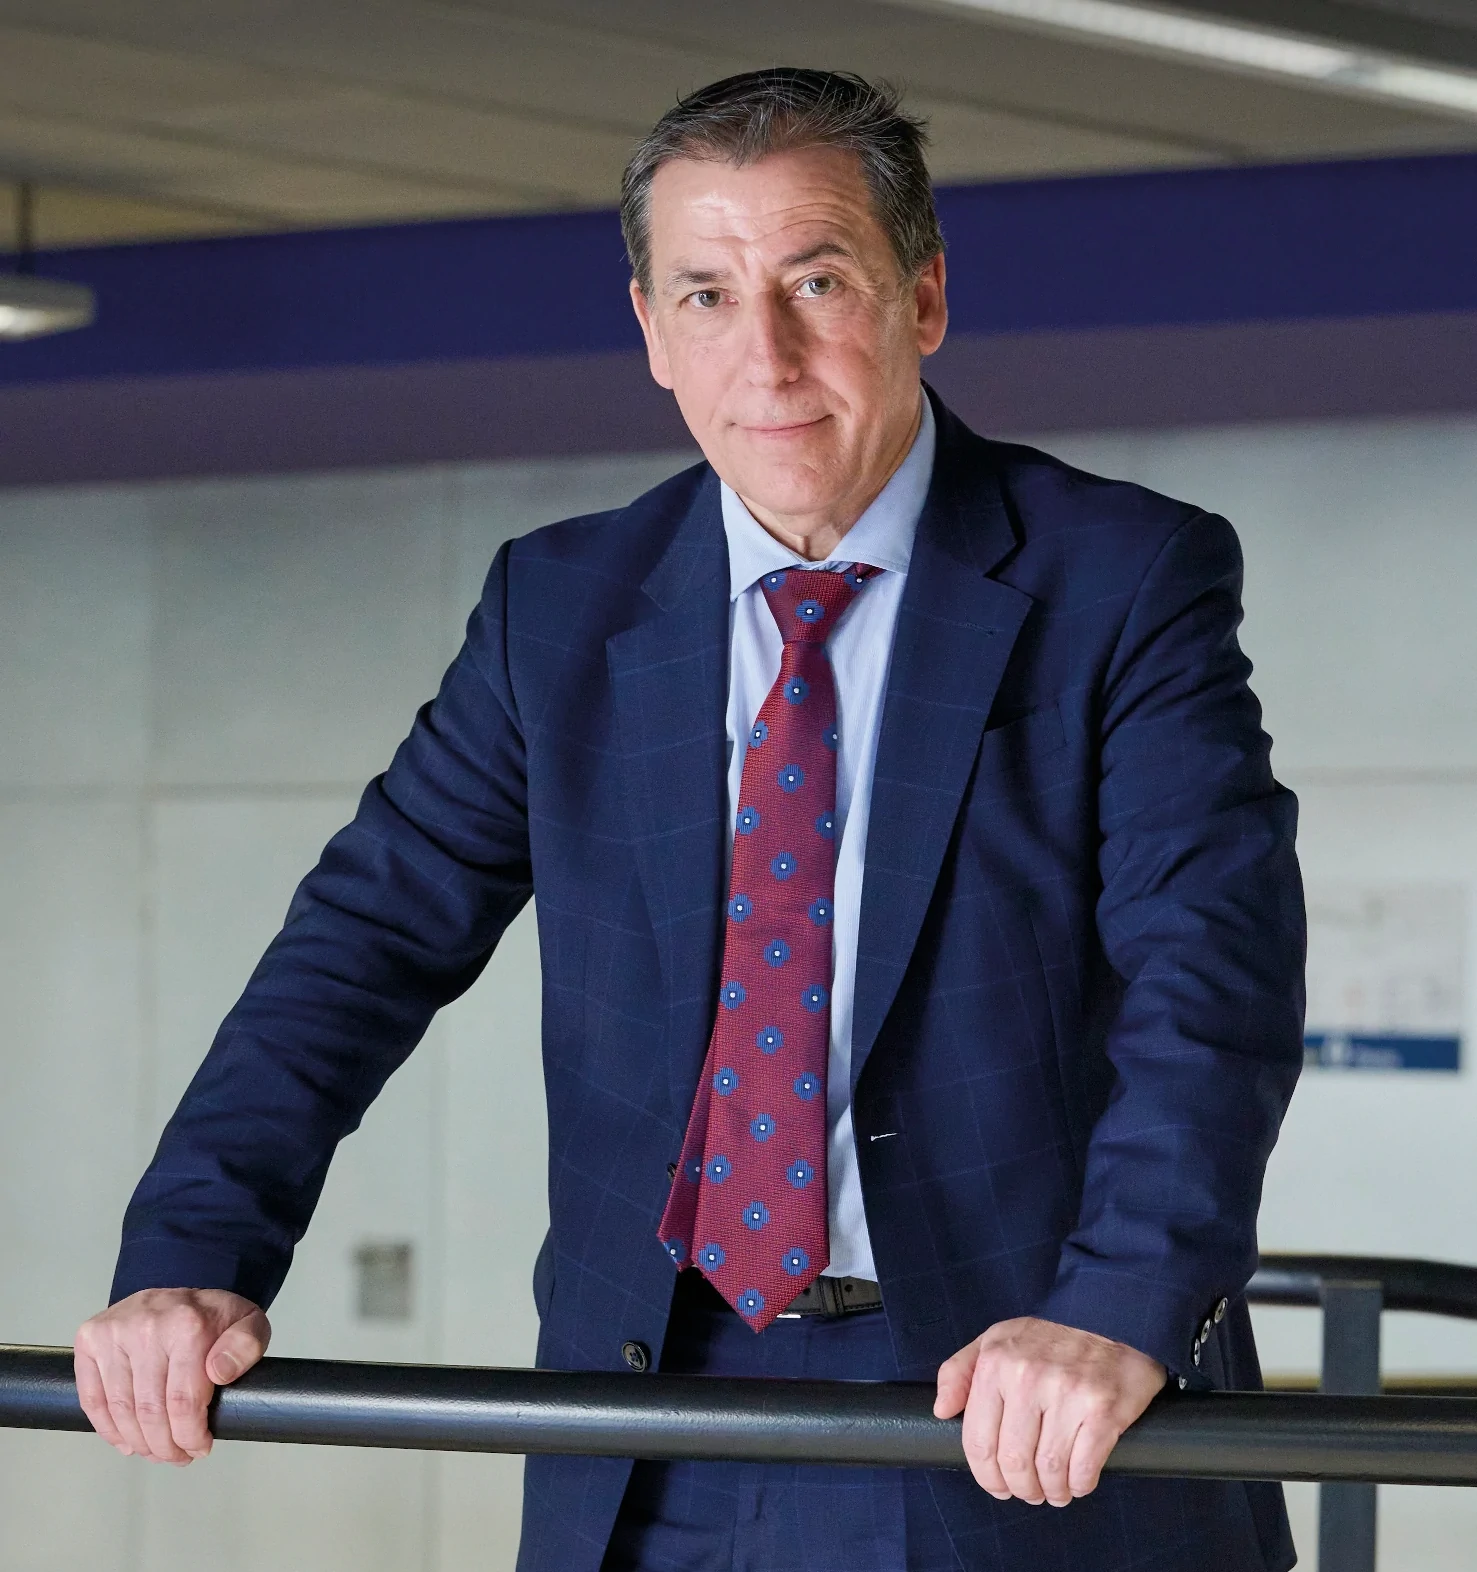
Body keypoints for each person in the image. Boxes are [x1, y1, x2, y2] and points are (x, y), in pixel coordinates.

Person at [75, 68, 1305, 1572]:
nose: (766, 356)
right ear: (652, 332)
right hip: (648, 1415)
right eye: (708, 296)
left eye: (818, 282)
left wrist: (1116, 1308)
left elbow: (1211, 975)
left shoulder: (1121, 579)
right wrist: (192, 1257)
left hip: (1016, 1406)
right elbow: (360, 946)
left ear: (923, 298)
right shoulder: (559, 609)